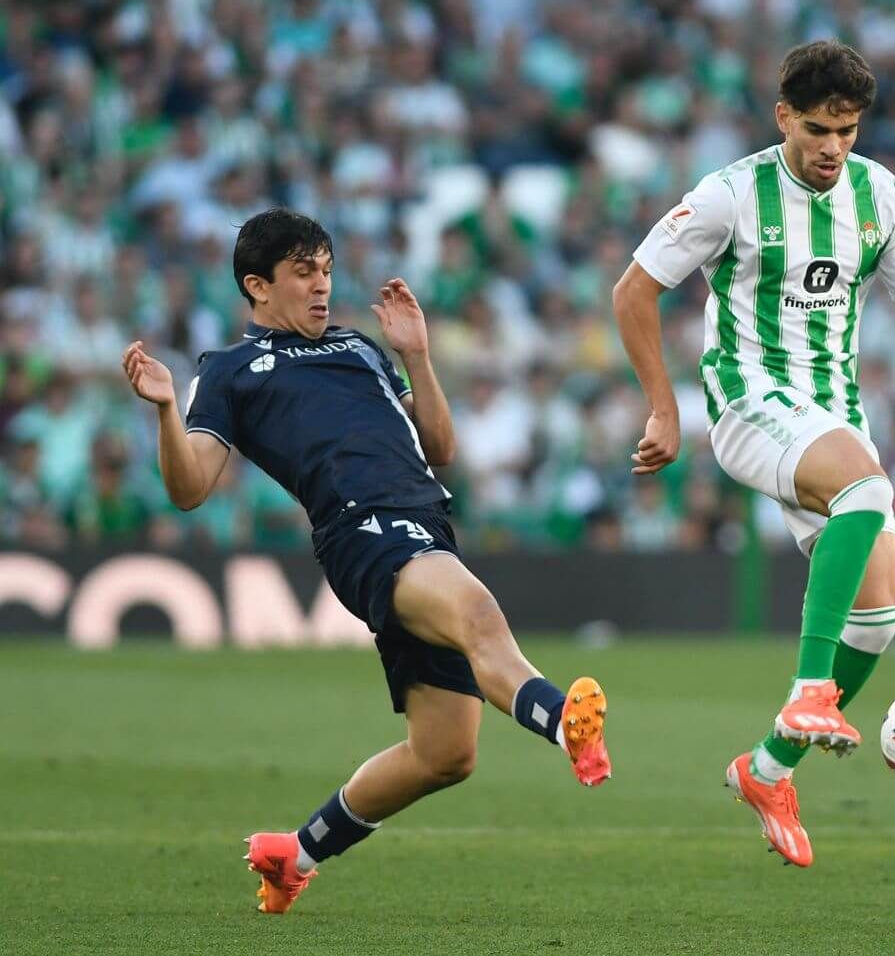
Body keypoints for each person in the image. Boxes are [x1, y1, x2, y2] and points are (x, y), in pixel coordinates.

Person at [121, 209, 611, 913]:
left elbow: (439, 446)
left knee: (445, 753)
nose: (322, 287)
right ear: (257, 287)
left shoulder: (360, 347)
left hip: (427, 523)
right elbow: (189, 487)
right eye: (302, 274)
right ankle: (567, 722)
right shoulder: (229, 370)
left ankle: (295, 853)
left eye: (325, 270)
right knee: (477, 612)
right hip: (362, 530)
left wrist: (416, 355)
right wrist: (166, 411)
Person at [612, 40, 895, 867]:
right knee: (868, 488)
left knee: (878, 616)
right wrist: (664, 406)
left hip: (834, 412)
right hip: (748, 401)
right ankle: (808, 693)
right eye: (820, 130)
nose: (834, 147)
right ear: (784, 117)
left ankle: (767, 769)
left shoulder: (882, 196)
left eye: (850, 130)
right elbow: (634, 290)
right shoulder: (729, 196)